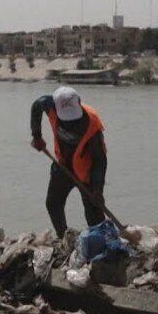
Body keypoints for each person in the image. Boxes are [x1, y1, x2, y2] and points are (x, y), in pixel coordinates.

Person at [29, 86, 107, 238]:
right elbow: (37, 105)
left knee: (94, 212)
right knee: (53, 203)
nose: (70, 123)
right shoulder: (49, 104)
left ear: (79, 103)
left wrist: (98, 188)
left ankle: (100, 241)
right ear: (56, 107)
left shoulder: (92, 123)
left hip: (86, 170)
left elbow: (99, 159)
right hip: (63, 164)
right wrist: (36, 135)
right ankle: (64, 237)